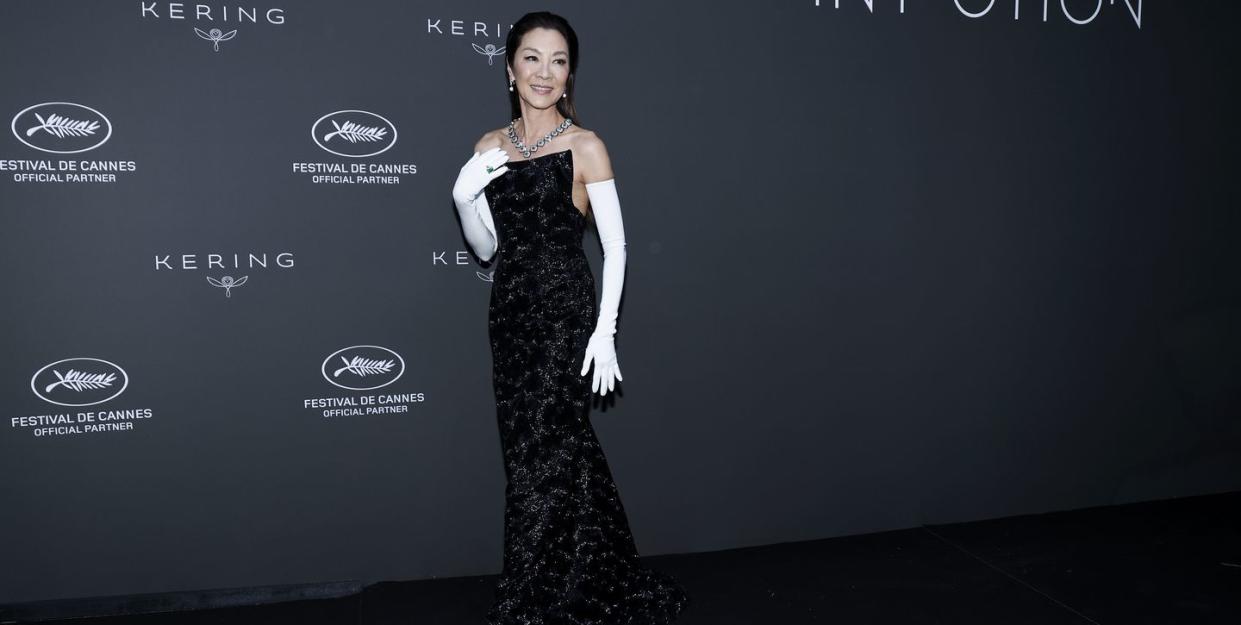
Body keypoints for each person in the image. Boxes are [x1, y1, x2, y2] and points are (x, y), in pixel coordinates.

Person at [451, 10, 690, 625]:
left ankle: (537, 592)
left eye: (558, 61)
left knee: (551, 448)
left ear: (569, 74)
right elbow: (485, 249)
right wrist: (464, 193)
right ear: (510, 68)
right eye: (532, 58)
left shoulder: (585, 145)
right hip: (509, 312)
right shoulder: (489, 147)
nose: (545, 72)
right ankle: (582, 573)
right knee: (533, 451)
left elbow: (616, 246)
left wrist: (604, 331)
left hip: (565, 314)